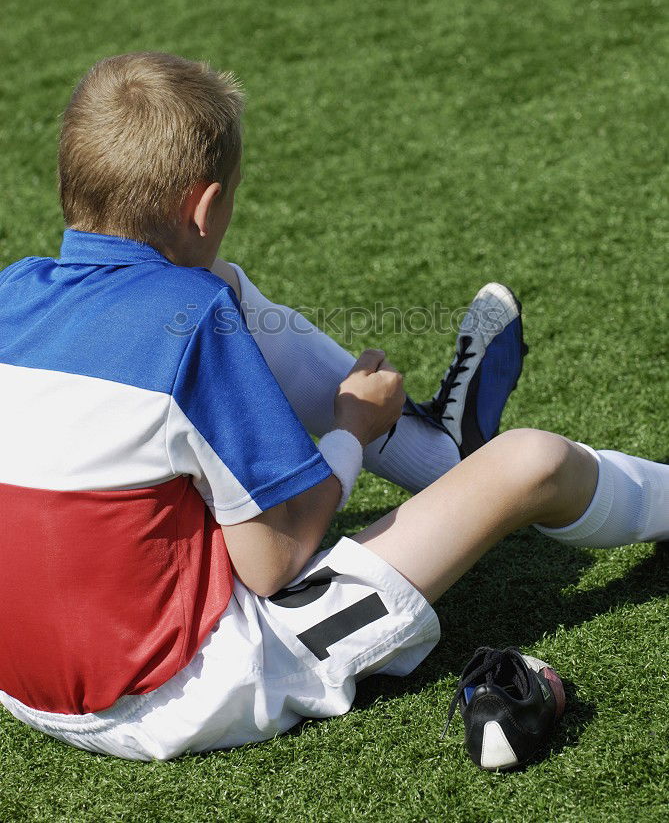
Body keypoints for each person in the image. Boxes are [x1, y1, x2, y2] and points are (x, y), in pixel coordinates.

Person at [0, 52, 665, 763]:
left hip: (20, 683)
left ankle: (436, 449)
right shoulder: (191, 322)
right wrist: (352, 429)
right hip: (176, 696)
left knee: (216, 287)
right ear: (203, 205)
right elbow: (272, 563)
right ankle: (444, 450)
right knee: (533, 462)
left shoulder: (14, 293)